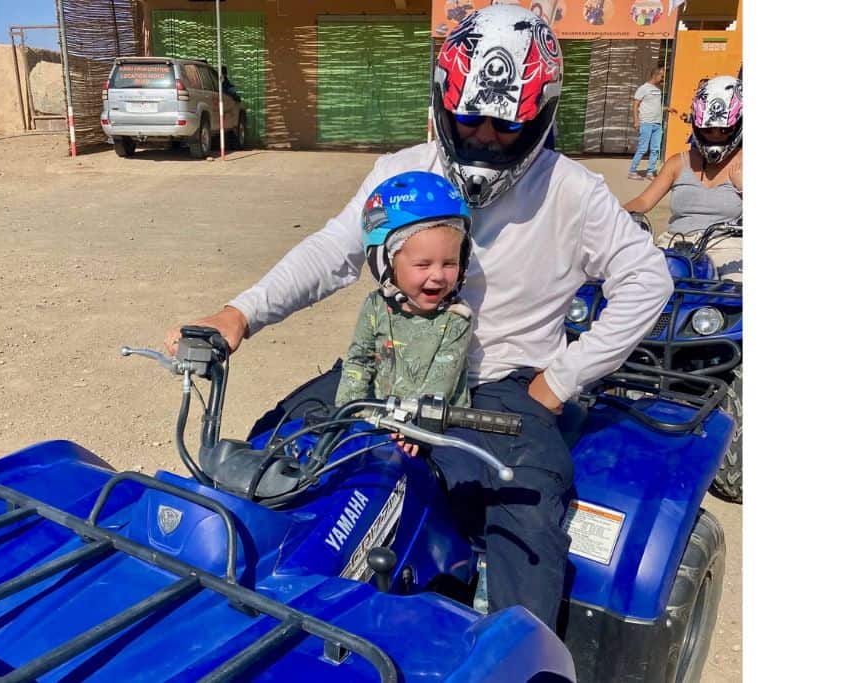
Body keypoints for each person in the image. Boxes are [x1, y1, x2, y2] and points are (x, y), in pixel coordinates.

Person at [166, 4, 672, 632]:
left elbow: (647, 279)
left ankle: (519, 660)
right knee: (275, 442)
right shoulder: (402, 172)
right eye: (470, 118)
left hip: (500, 390)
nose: (485, 137)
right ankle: (221, 616)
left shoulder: (573, 191)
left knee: (527, 508)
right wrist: (242, 311)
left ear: (541, 116)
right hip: (388, 366)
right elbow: (333, 250)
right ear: (442, 102)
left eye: (504, 125)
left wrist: (560, 383)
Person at [335, 172, 473, 457]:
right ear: (385, 263)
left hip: (439, 426)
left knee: (453, 485)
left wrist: (416, 425)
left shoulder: (456, 318)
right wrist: (348, 416)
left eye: (450, 263)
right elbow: (358, 361)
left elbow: (440, 382)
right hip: (380, 420)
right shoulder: (375, 307)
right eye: (423, 264)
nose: (438, 276)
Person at [624, 76, 743, 279]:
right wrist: (609, 215)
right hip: (674, 246)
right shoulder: (677, 163)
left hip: (727, 248)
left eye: (724, 130)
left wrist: (743, 187)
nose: (715, 136)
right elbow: (644, 201)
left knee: (735, 297)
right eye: (707, 130)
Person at [628, 66, 676, 181]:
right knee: (643, 148)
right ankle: (632, 171)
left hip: (657, 124)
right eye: (662, 76)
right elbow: (635, 105)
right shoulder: (643, 88)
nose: (663, 78)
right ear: (655, 75)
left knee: (655, 149)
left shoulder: (658, 90)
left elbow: (656, 106)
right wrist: (636, 120)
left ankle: (650, 172)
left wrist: (666, 108)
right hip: (646, 123)